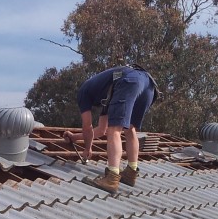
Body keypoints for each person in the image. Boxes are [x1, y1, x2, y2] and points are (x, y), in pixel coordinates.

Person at [63, 65, 158, 193]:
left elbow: (87, 126)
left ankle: (111, 178)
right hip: (148, 85)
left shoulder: (83, 92)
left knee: (115, 129)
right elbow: (102, 130)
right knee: (130, 128)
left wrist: (87, 148)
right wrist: (76, 137)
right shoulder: (107, 95)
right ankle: (131, 173)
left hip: (129, 80)